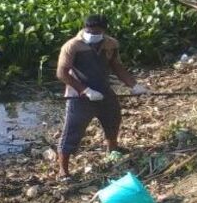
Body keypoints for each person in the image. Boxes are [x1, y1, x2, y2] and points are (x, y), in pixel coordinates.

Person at [56, 14, 149, 181]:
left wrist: (134, 85)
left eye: (98, 31)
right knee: (72, 131)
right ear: (85, 28)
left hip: (104, 91)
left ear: (104, 31)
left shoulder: (110, 44)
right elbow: (62, 73)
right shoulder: (72, 46)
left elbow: (117, 66)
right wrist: (86, 91)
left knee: (113, 120)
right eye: (90, 31)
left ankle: (112, 151)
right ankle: (63, 170)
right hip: (79, 96)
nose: (94, 34)